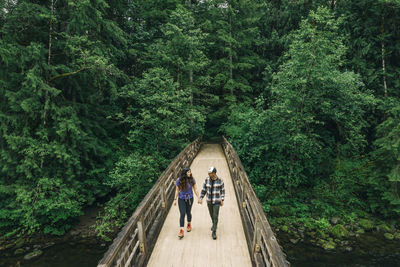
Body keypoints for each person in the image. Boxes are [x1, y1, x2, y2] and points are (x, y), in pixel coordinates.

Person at [199, 166, 225, 240]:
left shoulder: (220, 180)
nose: (208, 174)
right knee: (211, 215)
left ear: (214, 173)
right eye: (208, 173)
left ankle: (214, 231)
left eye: (210, 173)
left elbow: (222, 191)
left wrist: (222, 199)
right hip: (209, 201)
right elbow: (204, 190)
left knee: (215, 215)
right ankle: (214, 224)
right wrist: (201, 198)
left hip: (217, 200)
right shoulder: (206, 180)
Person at [173, 167, 200, 239]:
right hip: (181, 199)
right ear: (185, 173)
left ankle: (189, 224)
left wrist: (198, 197)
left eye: (190, 172)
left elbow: (195, 189)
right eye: (188, 172)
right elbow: (177, 190)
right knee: (182, 213)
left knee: (188, 212)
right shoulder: (179, 180)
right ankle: (181, 230)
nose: (190, 173)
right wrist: (175, 199)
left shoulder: (192, 179)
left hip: (190, 198)